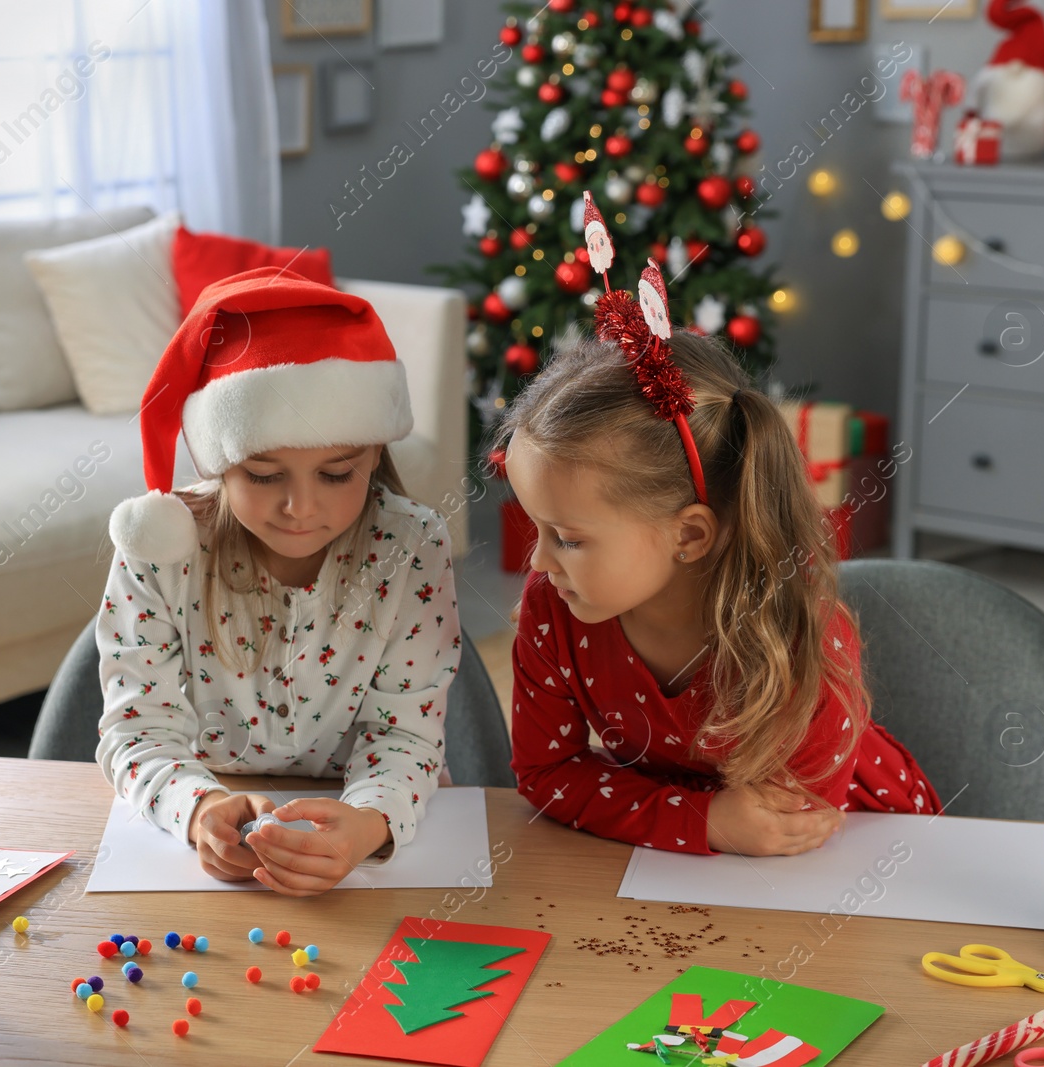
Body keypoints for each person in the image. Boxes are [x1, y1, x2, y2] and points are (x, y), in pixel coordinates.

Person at [499, 219, 940, 858]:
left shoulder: (791, 632)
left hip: (856, 845)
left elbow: (789, 824)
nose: (537, 562)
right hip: (692, 854)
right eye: (534, 527)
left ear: (690, 535)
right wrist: (701, 820)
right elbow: (543, 774)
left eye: (566, 537)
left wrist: (696, 821)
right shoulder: (554, 608)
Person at [97, 268, 461, 896]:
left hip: (370, 834)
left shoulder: (412, 546)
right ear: (218, 459)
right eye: (264, 476)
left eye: (337, 473)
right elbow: (137, 731)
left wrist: (369, 825)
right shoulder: (161, 547)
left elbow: (404, 733)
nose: (301, 508)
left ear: (375, 452)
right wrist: (200, 810)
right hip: (211, 824)